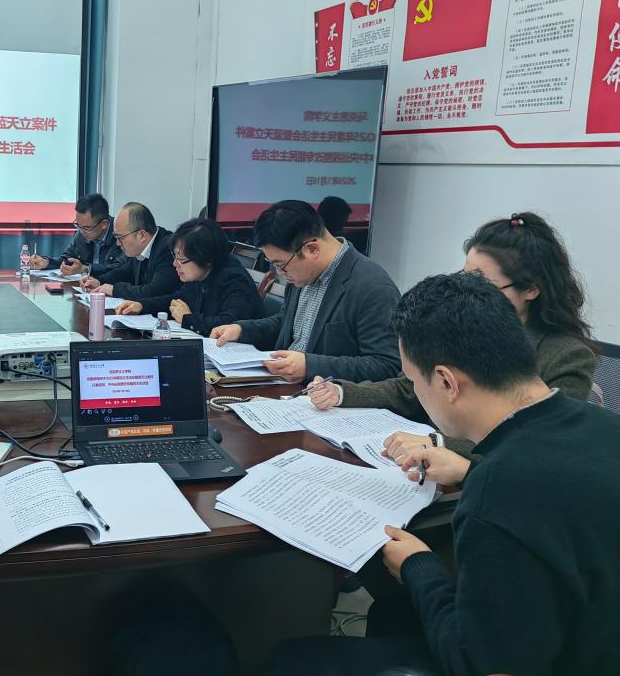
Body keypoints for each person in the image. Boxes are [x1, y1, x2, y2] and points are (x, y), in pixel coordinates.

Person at [268, 272, 620, 675]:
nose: (415, 391)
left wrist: (418, 565)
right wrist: (469, 472)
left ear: (447, 382)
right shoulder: (604, 426)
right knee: (393, 612)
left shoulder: (497, 493)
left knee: (292, 660)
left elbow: (482, 664)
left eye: (414, 380)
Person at [308, 212, 598, 459]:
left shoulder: (566, 355)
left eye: (482, 281)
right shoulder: (465, 322)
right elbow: (412, 386)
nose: (469, 289)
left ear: (531, 289)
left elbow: (540, 447)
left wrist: (438, 443)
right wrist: (343, 393)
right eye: (464, 274)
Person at [210, 200, 401, 383]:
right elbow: (285, 324)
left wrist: (310, 366)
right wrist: (242, 330)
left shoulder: (372, 287)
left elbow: (387, 366)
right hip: (281, 385)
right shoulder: (302, 271)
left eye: (282, 265)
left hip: (324, 396)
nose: (280, 273)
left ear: (312, 249)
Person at [116, 217, 264, 336]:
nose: (175, 264)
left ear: (206, 258)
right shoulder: (199, 274)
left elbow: (229, 324)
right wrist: (142, 306)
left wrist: (188, 319)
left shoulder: (234, 280)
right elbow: (178, 299)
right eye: (175, 257)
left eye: (181, 259)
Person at [79, 202, 181, 300]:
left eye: (120, 238)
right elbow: (125, 272)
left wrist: (114, 290)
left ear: (142, 235)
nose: (118, 243)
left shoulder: (168, 249)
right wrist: (99, 281)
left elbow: (154, 291)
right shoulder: (139, 249)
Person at [28, 193, 125, 277]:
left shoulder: (121, 235)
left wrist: (85, 269)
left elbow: (121, 268)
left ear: (104, 224)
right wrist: (46, 262)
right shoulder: (82, 233)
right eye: (78, 225)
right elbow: (67, 259)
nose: (81, 231)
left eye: (86, 227)